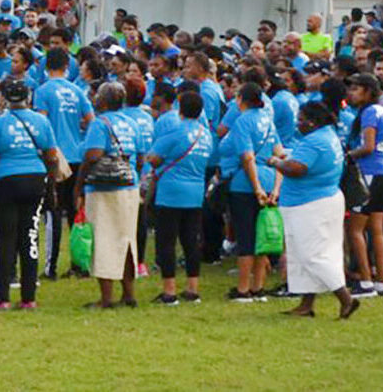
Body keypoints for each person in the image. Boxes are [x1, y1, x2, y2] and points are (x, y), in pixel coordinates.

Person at [265, 101, 359, 319]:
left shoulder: (315, 142)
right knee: (301, 254)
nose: (298, 123)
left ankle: (345, 298)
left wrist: (276, 162)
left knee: (311, 255)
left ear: (312, 122)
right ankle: (306, 304)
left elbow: (296, 169)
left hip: (309, 204)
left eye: (301, 119)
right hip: (324, 198)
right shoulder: (327, 135)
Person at [0, 78, 56, 310]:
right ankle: (29, 297)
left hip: (5, 182)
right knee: (30, 236)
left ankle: (3, 298)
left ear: (5, 99)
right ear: (29, 98)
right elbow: (51, 157)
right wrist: (49, 186)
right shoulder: (42, 121)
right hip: (34, 180)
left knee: (5, 240)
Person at [77, 81, 142, 310]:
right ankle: (129, 294)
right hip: (130, 185)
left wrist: (79, 184)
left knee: (103, 240)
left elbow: (93, 155)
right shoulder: (132, 123)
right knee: (126, 240)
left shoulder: (99, 123)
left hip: (104, 189)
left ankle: (106, 298)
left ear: (103, 101)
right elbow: (140, 156)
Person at [146, 89, 210, 304]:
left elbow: (153, 158)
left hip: (171, 192)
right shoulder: (206, 134)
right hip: (195, 192)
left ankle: (170, 291)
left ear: (180, 109)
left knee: (167, 241)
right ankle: (193, 289)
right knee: (191, 241)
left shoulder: (175, 131)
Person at [33, 47, 92, 279]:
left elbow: (42, 124)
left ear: (47, 67)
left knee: (53, 212)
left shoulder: (43, 91)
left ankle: (51, 268)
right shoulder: (77, 90)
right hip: (77, 157)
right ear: (67, 66)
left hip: (56, 157)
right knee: (76, 211)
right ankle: (80, 264)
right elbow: (91, 120)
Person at [219, 81, 280, 302]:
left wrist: (256, 189)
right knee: (261, 235)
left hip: (245, 185)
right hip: (269, 179)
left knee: (246, 236)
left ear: (240, 100)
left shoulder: (242, 121)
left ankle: (243, 289)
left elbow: (247, 157)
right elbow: (280, 155)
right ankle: (258, 286)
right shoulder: (268, 121)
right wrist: (275, 188)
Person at [344, 73, 383, 297]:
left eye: (355, 89)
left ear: (368, 91)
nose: (351, 93)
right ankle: (381, 280)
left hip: (369, 172)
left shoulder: (370, 113)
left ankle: (365, 282)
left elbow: (368, 146)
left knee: (355, 229)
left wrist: (347, 156)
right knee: (377, 228)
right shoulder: (382, 110)